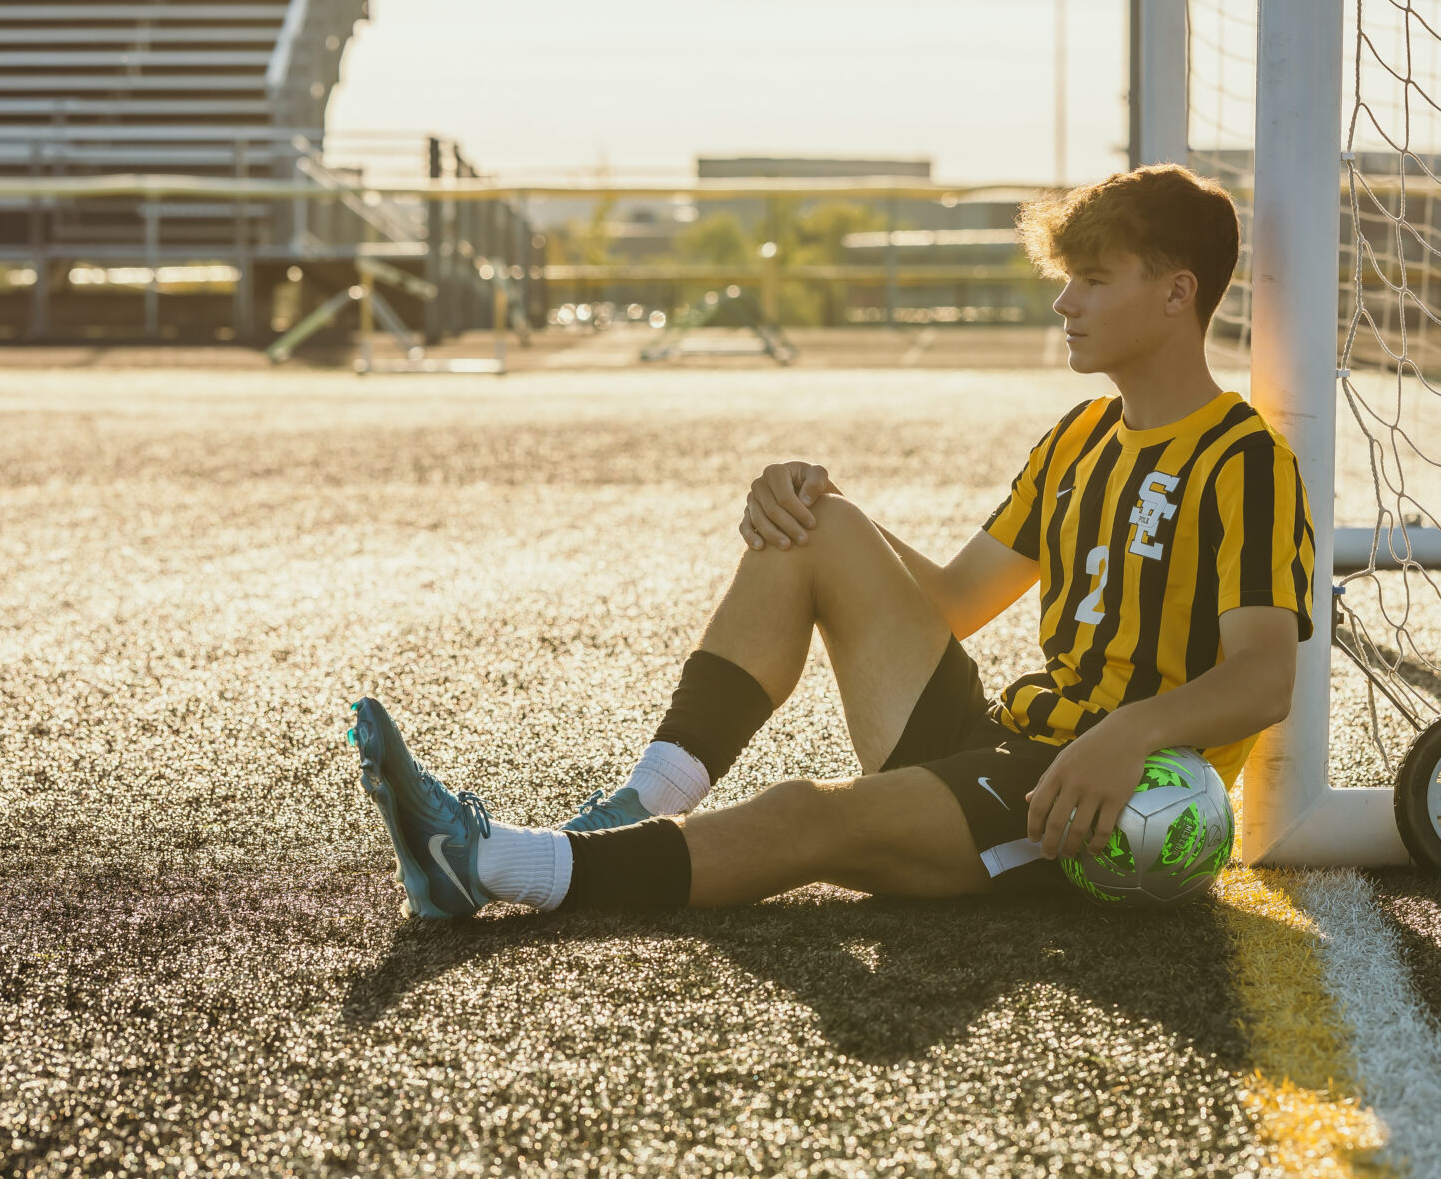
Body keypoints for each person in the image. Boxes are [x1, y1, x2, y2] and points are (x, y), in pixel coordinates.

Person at [347, 163, 1314, 918]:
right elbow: (955, 604)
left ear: (1177, 294)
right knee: (811, 521)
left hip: (1094, 804)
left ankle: (492, 864)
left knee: (810, 815)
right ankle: (639, 804)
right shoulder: (1082, 436)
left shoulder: (1245, 460)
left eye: (1093, 281)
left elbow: (1264, 679)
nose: (1066, 303)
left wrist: (1127, 734)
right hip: (1009, 741)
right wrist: (825, 500)